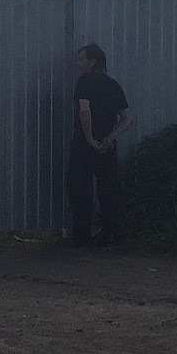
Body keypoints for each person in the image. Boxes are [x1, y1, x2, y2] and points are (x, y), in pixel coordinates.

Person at [67, 44, 133, 247]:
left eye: (81, 59)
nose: (78, 63)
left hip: (84, 145)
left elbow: (84, 111)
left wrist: (89, 139)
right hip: (106, 146)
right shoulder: (114, 85)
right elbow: (127, 118)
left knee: (80, 188)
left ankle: (81, 236)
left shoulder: (85, 81)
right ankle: (109, 234)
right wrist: (110, 137)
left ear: (92, 62)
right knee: (108, 189)